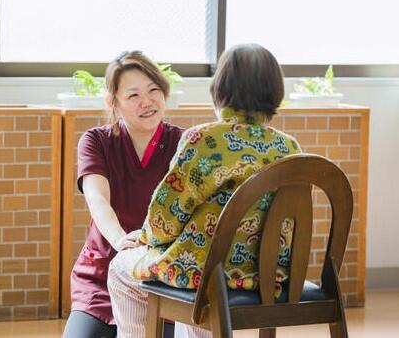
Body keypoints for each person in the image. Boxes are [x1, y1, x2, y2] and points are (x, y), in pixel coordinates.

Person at [107, 43, 302, 338]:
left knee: (122, 267)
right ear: (276, 91)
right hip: (271, 274)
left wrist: (146, 239)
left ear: (219, 90)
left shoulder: (203, 140)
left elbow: (165, 219)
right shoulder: (290, 148)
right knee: (197, 273)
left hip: (204, 274)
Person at [62, 51, 184, 338]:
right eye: (133, 95)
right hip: (100, 277)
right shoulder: (96, 141)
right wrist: (120, 240)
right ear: (113, 103)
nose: (147, 101)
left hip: (159, 280)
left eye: (154, 90)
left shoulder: (183, 143)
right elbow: (97, 198)